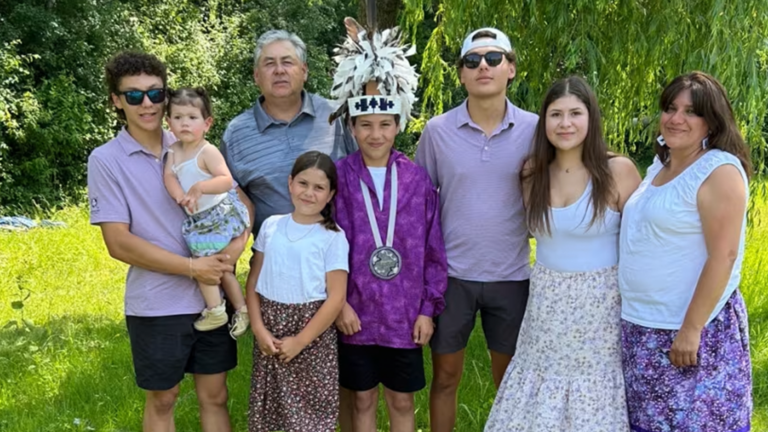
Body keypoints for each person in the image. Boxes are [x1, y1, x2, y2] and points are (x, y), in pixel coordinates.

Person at [88, 52, 250, 432]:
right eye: (133, 96)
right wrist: (194, 268)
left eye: (155, 93)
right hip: (157, 302)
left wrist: (232, 251)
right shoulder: (106, 160)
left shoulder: (191, 138)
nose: (147, 104)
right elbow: (119, 243)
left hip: (212, 296)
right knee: (164, 399)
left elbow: (238, 201)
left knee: (216, 396)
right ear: (115, 100)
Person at [484, 76, 641, 431]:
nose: (565, 123)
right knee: (541, 383)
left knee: (592, 390)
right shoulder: (532, 172)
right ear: (544, 121)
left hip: (600, 304)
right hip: (547, 302)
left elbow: (641, 247)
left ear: (591, 117)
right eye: (555, 114)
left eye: (575, 113)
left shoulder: (618, 171)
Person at [414, 27, 538, 431]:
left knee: (511, 382)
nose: (483, 66)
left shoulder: (538, 130)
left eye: (493, 58)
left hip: (513, 276)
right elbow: (420, 206)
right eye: (472, 61)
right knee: (446, 378)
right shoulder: (436, 131)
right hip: (452, 278)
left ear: (512, 69)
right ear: (462, 74)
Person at [329, 18, 448, 432]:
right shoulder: (339, 178)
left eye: (384, 125)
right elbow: (325, 245)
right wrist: (338, 304)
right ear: (352, 127)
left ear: (398, 125)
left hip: (404, 315)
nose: (375, 133)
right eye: (365, 125)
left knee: (401, 404)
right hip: (355, 314)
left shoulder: (416, 180)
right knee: (361, 402)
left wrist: (428, 310)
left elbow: (433, 249)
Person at [619, 71, 752, 432]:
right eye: (669, 108)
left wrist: (691, 329)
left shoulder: (718, 171)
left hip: (692, 332)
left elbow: (723, 256)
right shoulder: (659, 167)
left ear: (711, 120)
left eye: (691, 111)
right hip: (642, 330)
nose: (676, 118)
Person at [246, 151, 349, 432]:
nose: (309, 193)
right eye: (303, 183)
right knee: (270, 415)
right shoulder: (271, 227)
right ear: (290, 183)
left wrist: (301, 341)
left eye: (319, 188)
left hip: (312, 337)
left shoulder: (333, 237)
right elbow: (254, 281)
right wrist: (258, 328)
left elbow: (336, 298)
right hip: (271, 333)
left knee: (310, 418)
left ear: (330, 195)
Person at [220, 29, 356, 241]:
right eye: (269, 63)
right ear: (256, 76)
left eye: (287, 62)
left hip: (341, 258)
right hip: (273, 263)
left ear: (304, 71)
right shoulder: (236, 134)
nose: (279, 70)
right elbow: (229, 211)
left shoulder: (337, 117)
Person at [163, 87, 250, 337]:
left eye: (192, 118)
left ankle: (215, 309)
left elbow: (225, 180)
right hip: (201, 220)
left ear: (207, 123)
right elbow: (169, 176)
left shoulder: (207, 151)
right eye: (178, 118)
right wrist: (179, 195)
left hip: (220, 215)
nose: (185, 124)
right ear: (169, 123)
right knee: (220, 268)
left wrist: (201, 187)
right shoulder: (174, 151)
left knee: (205, 265)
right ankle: (241, 309)